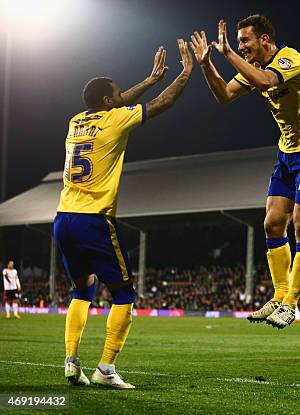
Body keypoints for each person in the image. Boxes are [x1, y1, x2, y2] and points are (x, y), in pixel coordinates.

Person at [54, 40, 193, 388]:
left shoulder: (75, 121)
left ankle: (71, 360)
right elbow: (164, 104)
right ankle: (105, 369)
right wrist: (185, 73)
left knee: (81, 291)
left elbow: (118, 102)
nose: (120, 96)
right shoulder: (116, 120)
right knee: (124, 295)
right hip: (94, 220)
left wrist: (149, 80)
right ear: (107, 101)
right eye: (116, 94)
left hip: (63, 218)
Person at [190, 15, 300, 329]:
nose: (241, 47)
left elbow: (267, 82)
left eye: (245, 41)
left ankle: (292, 304)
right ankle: (279, 295)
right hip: (286, 154)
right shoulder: (253, 69)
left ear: (264, 39)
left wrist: (226, 53)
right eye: (238, 43)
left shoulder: (289, 58)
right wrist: (206, 64)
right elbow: (223, 95)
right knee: (271, 223)